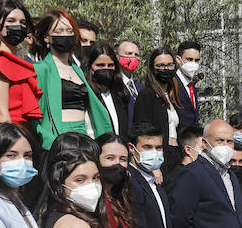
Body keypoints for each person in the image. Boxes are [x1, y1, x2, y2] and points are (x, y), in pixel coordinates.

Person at [34, 9, 111, 149]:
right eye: (58, 31)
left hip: (84, 136)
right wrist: (51, 142)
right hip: (59, 138)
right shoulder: (40, 69)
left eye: (69, 31)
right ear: (47, 37)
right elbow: (35, 118)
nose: (65, 35)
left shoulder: (78, 69)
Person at [0, 0, 40, 132]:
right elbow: (1, 114)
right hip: (12, 138)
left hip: (27, 136)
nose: (18, 26)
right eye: (11, 21)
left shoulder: (17, 61)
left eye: (23, 23)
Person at [132, 47, 185, 178]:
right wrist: (153, 167)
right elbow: (142, 131)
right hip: (160, 157)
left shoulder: (174, 96)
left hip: (176, 154)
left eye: (169, 65)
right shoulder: (147, 95)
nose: (166, 69)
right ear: (152, 68)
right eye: (161, 65)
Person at [81, 41, 130, 142]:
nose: (106, 69)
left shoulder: (120, 93)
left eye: (110, 65)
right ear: (90, 67)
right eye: (100, 65)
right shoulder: (84, 94)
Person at [174, 40, 202, 130]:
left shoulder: (192, 87)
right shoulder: (171, 83)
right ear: (178, 59)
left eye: (196, 60)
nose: (193, 64)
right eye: (189, 59)